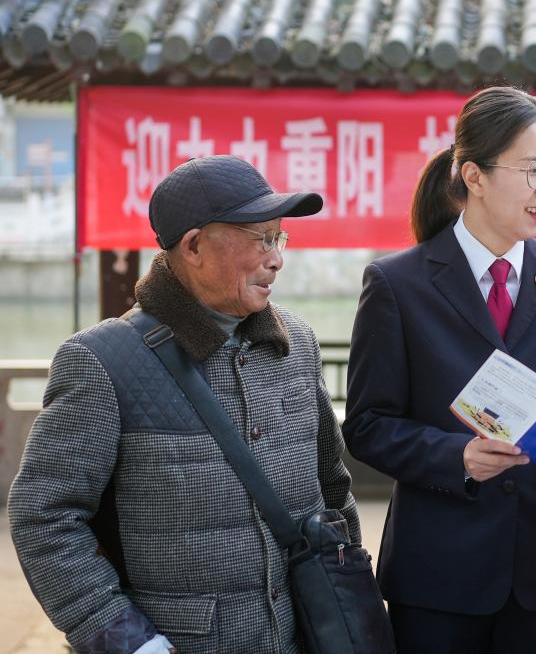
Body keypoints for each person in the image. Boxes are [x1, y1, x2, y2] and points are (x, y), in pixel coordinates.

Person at [9, 155, 362, 654]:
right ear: (194, 246)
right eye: (261, 239)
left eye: (278, 238)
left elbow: (332, 488)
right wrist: (131, 643)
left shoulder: (296, 344)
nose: (276, 259)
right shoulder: (101, 362)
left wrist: (348, 596)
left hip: (302, 635)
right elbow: (44, 518)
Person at [343, 86, 536, 654]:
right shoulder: (398, 284)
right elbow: (367, 426)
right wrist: (457, 457)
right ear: (474, 175)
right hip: (438, 574)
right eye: (533, 169)